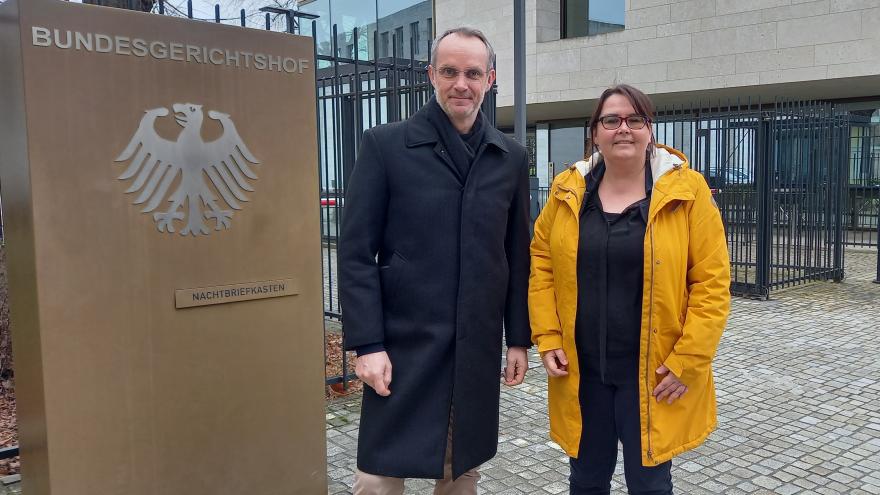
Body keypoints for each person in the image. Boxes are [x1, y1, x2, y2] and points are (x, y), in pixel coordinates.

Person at [338, 27, 532, 494]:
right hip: (401, 345)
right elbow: (357, 253)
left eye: (471, 73)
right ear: (431, 75)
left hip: (475, 345)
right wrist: (367, 344)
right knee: (378, 478)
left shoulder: (510, 157)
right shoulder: (386, 146)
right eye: (449, 71)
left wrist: (519, 338)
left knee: (460, 469)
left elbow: (517, 255)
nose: (460, 84)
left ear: (490, 78)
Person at [529, 84, 731, 494]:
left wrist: (687, 360)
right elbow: (542, 264)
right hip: (583, 370)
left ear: (649, 129)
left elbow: (712, 282)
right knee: (586, 480)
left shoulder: (687, 192)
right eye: (611, 120)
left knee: (650, 484)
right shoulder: (568, 192)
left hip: (654, 372)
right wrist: (547, 336)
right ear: (595, 133)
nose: (623, 128)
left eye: (634, 119)